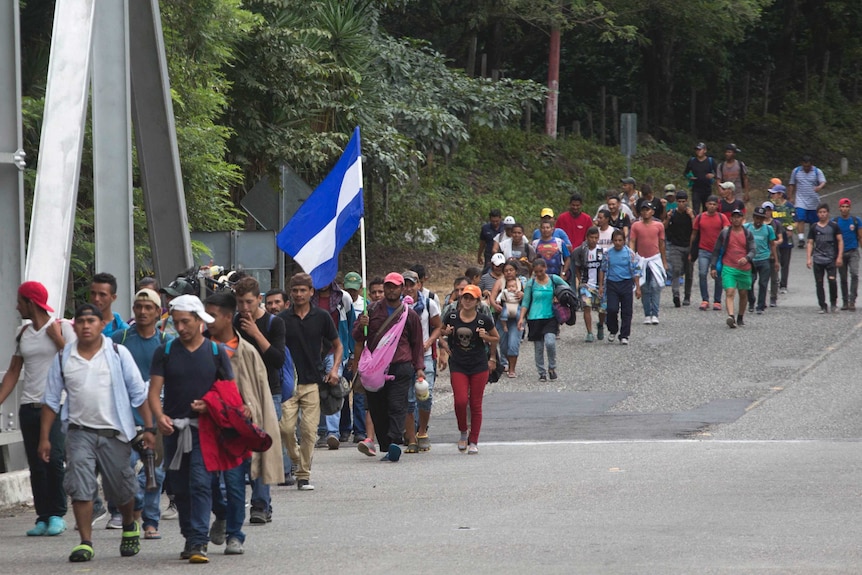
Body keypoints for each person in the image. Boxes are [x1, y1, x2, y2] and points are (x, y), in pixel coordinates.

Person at [40, 303, 154, 563]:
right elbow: (50, 400)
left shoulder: (117, 353)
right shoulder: (64, 357)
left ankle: (128, 524)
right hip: (79, 432)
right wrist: (45, 438)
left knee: (121, 489)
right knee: (80, 486)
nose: (86, 326)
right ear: (75, 326)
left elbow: (139, 395)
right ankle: (85, 542)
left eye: (92, 321)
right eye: (81, 321)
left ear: (102, 324)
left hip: (114, 434)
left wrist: (149, 429)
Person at [148, 294, 235, 563]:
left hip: (206, 431)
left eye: (186, 322)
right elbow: (153, 392)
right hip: (174, 431)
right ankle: (190, 536)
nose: (181, 328)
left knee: (199, 482)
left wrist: (211, 406)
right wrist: (159, 416)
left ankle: (199, 541)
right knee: (180, 487)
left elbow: (229, 394)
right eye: (176, 322)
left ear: (199, 321)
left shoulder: (216, 352)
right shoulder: (165, 351)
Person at [204, 292, 283, 555]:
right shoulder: (200, 347)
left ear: (227, 317)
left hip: (237, 432)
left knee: (235, 484)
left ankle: (235, 534)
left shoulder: (247, 351)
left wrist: (251, 411)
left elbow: (258, 391)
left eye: (212, 315)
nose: (207, 321)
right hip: (206, 428)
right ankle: (222, 513)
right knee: (206, 483)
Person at [0, 282, 75, 537]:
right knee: (35, 462)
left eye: (20, 301)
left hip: (55, 405)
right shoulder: (23, 333)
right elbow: (13, 371)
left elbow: (76, 360)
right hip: (28, 406)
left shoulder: (62, 328)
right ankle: (43, 516)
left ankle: (57, 514)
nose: (16, 306)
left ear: (31, 303)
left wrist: (57, 339)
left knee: (53, 459)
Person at [110, 289, 171, 540]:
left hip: (156, 418)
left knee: (154, 472)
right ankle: (133, 509)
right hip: (124, 419)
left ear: (158, 312)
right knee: (122, 471)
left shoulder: (166, 342)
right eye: (138, 307)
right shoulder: (120, 338)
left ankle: (150, 522)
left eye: (149, 308)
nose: (143, 312)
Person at [352, 273, 424, 462]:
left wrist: (419, 368)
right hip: (376, 368)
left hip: (400, 365)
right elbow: (358, 336)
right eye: (388, 286)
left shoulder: (410, 314)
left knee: (396, 404)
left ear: (402, 289)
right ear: (384, 288)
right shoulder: (371, 310)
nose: (392, 290)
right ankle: (385, 443)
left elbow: (417, 343)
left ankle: (394, 441)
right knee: (376, 407)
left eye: (395, 286)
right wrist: (361, 325)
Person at [278, 273, 341, 489]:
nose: (298, 294)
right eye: (295, 290)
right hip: (288, 384)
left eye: (303, 290)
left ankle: (303, 475)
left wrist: (334, 369)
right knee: (285, 429)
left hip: (313, 383)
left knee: (308, 431)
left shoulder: (322, 317)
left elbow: (337, 345)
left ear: (311, 292)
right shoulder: (282, 320)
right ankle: (297, 461)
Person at [234, 276, 287, 516]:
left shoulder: (274, 324)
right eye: (240, 303)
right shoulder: (234, 322)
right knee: (242, 451)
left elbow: (277, 359)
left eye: (249, 302)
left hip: (269, 392)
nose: (245, 308)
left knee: (262, 447)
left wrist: (255, 333)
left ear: (259, 300)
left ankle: (260, 505)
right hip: (240, 393)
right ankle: (257, 500)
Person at [440, 284, 498, 455]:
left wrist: (486, 338)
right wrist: (446, 336)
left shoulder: (483, 320)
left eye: (471, 298)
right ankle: (463, 431)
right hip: (458, 364)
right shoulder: (451, 316)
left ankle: (474, 440)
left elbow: (496, 337)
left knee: (475, 403)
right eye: (465, 297)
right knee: (460, 401)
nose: (467, 301)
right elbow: (439, 330)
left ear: (477, 301)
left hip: (478, 364)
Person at [310, 279, 355, 446]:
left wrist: (351, 352)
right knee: (316, 390)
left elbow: (351, 325)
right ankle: (321, 430)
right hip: (313, 351)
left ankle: (332, 432)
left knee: (333, 389)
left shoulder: (343, 298)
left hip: (335, 350)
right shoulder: (308, 297)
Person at [401, 270, 441, 453]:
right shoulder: (398, 306)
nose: (409, 288)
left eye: (412, 284)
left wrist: (429, 342)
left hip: (424, 355)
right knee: (408, 399)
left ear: (419, 285)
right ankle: (410, 438)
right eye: (405, 285)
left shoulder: (428, 304)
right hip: (404, 355)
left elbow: (438, 326)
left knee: (425, 394)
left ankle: (422, 431)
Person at [518, 259, 567, 382]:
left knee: (550, 342)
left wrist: (559, 296)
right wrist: (521, 318)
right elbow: (526, 302)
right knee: (538, 347)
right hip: (534, 318)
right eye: (536, 272)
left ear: (545, 268)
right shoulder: (531, 283)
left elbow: (567, 289)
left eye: (541, 271)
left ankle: (552, 367)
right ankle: (541, 372)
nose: (539, 274)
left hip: (550, 317)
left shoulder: (553, 279)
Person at [710, 209, 755, 328]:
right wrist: (713, 266)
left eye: (739, 217)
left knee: (743, 293)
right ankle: (731, 316)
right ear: (731, 219)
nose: (736, 219)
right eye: (734, 217)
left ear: (742, 218)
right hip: (728, 266)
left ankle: (740, 316)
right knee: (730, 292)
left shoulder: (747, 233)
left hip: (744, 268)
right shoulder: (725, 233)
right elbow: (716, 250)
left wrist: (746, 258)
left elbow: (753, 250)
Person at [598, 230, 641, 345]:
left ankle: (624, 335)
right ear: (612, 241)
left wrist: (638, 287)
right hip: (612, 284)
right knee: (612, 309)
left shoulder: (629, 253)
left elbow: (636, 270)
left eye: (620, 240)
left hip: (626, 283)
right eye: (615, 240)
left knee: (627, 311)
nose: (617, 243)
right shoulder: (607, 254)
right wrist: (601, 286)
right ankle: (613, 329)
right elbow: (602, 270)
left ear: (624, 241)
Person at [630, 201, 668, 325]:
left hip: (655, 258)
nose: (646, 212)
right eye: (643, 210)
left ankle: (655, 313)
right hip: (641, 259)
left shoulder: (659, 225)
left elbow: (662, 243)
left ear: (652, 211)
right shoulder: (636, 226)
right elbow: (632, 241)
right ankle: (647, 313)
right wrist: (632, 257)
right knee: (644, 286)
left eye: (648, 210)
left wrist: (664, 261)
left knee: (655, 286)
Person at [691, 196, 730, 311]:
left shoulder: (721, 217)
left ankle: (717, 300)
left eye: (714, 204)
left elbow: (727, 231)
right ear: (706, 205)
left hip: (718, 251)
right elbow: (694, 233)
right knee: (702, 273)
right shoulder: (700, 217)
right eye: (710, 204)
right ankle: (705, 299)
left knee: (718, 275)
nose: (712, 206)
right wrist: (691, 248)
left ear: (717, 206)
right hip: (703, 250)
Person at [489, 261, 524, 378]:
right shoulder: (499, 282)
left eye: (511, 270)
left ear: (516, 271)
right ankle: (507, 362)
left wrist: (522, 295)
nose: (509, 273)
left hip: (516, 317)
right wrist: (495, 305)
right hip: (502, 317)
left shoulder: (522, 282)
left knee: (513, 343)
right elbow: (492, 298)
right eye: (506, 270)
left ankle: (512, 368)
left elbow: (528, 299)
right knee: (503, 344)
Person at [807, 203, 843, 313]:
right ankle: (822, 305)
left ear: (827, 213)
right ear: (817, 214)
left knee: (832, 281)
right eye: (820, 212)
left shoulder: (834, 226)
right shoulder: (814, 227)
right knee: (819, 282)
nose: (822, 214)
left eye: (824, 212)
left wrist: (839, 256)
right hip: (818, 259)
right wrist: (809, 258)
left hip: (831, 258)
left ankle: (833, 303)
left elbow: (840, 240)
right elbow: (810, 243)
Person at [571, 227, 605, 342]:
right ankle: (589, 332)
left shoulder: (602, 252)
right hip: (586, 285)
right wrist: (580, 281)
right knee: (587, 307)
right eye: (591, 237)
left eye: (596, 238)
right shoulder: (581, 251)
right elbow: (577, 267)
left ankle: (600, 324)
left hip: (599, 285)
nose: (593, 240)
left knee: (602, 309)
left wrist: (601, 285)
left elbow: (603, 269)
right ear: (587, 238)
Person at [745, 207, 779, 315]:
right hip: (751, 259)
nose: (758, 220)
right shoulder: (747, 227)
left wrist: (776, 260)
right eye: (757, 218)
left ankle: (760, 305)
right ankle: (751, 301)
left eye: (761, 218)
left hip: (764, 259)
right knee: (749, 282)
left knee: (763, 283)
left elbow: (772, 244)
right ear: (753, 217)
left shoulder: (768, 229)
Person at [788, 155, 827, 248]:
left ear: (811, 165)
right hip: (800, 199)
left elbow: (823, 182)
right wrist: (790, 196)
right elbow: (791, 184)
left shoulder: (817, 171)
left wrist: (819, 187)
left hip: (813, 201)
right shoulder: (796, 171)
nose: (806, 168)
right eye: (804, 166)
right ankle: (801, 239)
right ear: (802, 164)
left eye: (808, 166)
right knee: (800, 218)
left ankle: (812, 238)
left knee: (813, 222)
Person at [664, 191, 694, 307]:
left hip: (688, 246)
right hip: (675, 245)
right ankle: (676, 294)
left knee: (689, 272)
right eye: (679, 202)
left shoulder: (690, 213)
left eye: (683, 202)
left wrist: (692, 217)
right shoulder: (672, 214)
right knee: (676, 269)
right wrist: (667, 218)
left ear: (686, 201)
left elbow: (696, 228)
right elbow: (664, 227)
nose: (681, 204)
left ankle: (687, 296)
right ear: (676, 202)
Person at [832, 198, 862, 311]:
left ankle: (852, 300)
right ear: (839, 208)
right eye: (842, 207)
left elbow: (860, 236)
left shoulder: (855, 221)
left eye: (846, 207)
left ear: (850, 208)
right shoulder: (835, 221)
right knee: (843, 277)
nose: (844, 209)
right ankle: (845, 301)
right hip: (840, 252)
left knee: (854, 274)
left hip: (853, 251)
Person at [769, 185, 795, 294]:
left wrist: (791, 228)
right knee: (773, 261)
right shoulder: (771, 206)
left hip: (786, 239)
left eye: (774, 193)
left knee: (785, 263)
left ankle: (783, 285)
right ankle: (774, 283)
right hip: (773, 238)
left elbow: (795, 220)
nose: (772, 195)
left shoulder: (789, 206)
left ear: (780, 194)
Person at [90, 272, 129, 337]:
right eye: (93, 293)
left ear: (113, 298)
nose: (96, 299)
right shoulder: (79, 325)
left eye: (102, 294)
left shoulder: (124, 332)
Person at [684, 143, 716, 213]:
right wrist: (690, 177)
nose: (698, 151)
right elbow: (685, 173)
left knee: (706, 210)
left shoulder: (710, 161)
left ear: (705, 150)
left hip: (707, 189)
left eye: (700, 150)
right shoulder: (692, 161)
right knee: (695, 210)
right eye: (697, 150)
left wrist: (713, 175)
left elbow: (718, 174)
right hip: (696, 189)